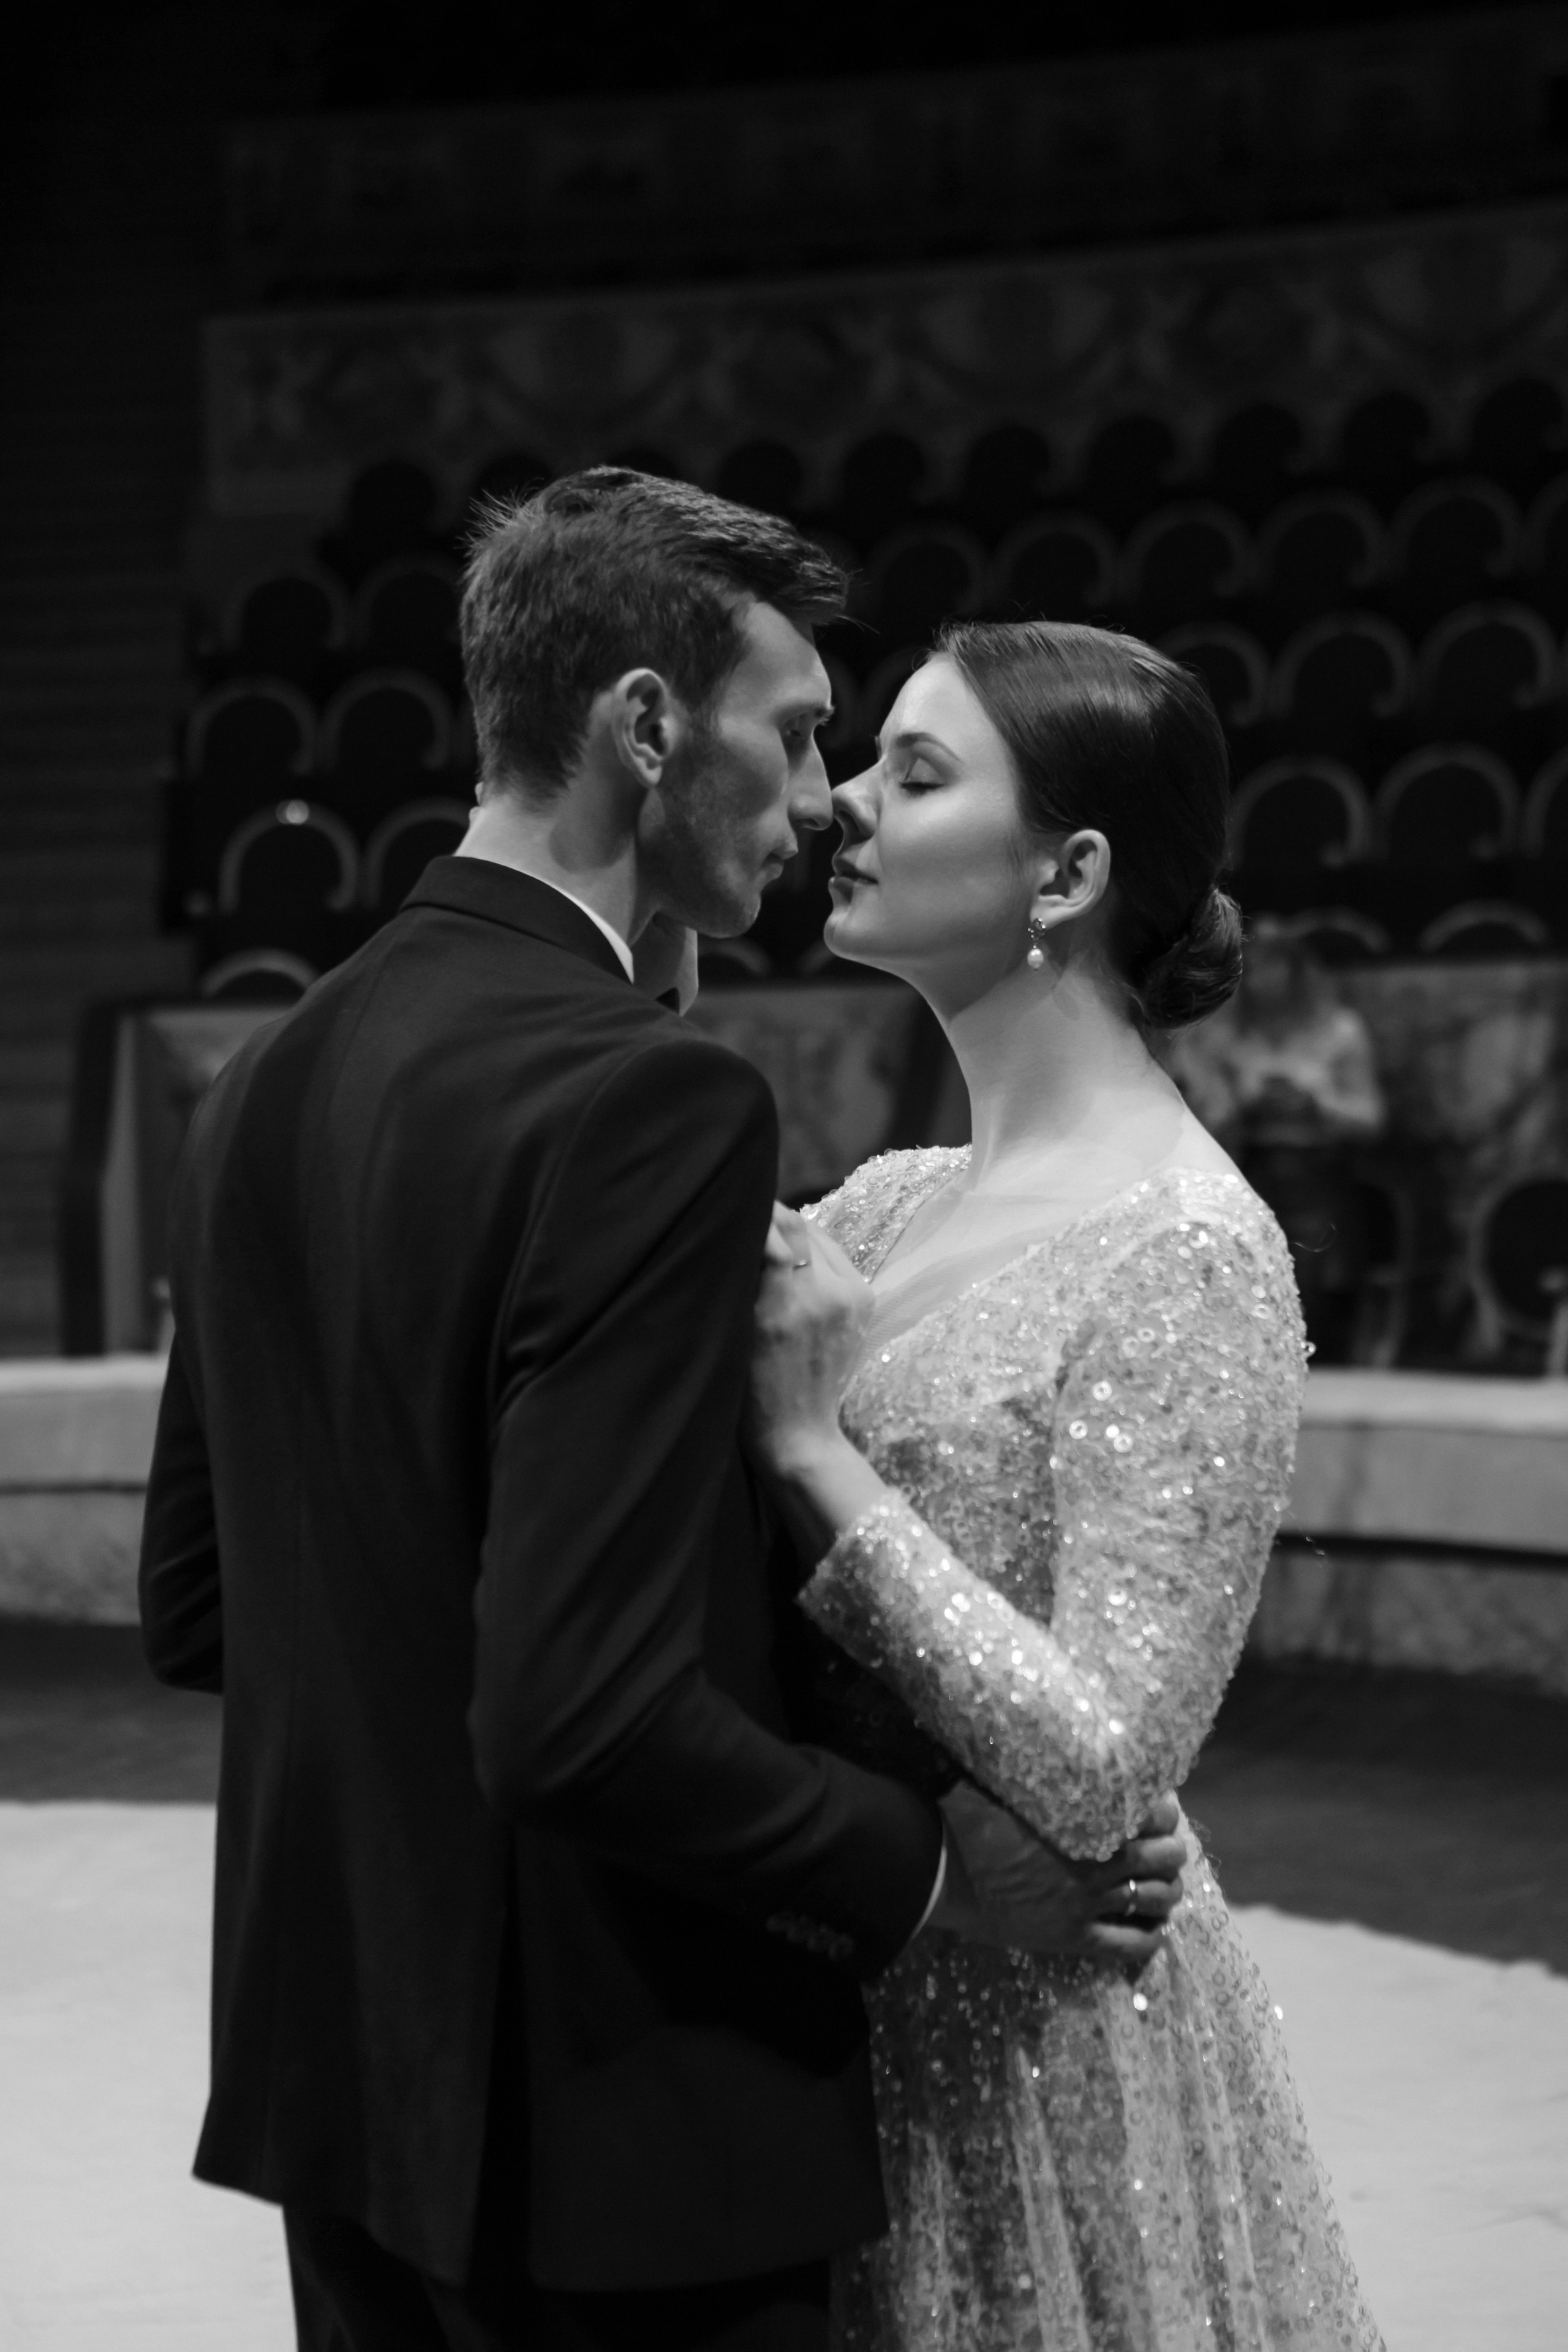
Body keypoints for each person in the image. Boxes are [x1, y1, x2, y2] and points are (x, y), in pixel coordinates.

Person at [138, 474, 1185, 2352]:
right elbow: (579, 1715)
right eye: (792, 739)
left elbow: (204, 1603)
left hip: (349, 2103)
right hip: (629, 2145)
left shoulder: (261, 1078)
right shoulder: (652, 1101)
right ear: (642, 727)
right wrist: (939, 1865)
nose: (816, 803)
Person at [745, 620, 1384, 2349]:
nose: (844, 808)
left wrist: (809, 1453)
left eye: (916, 774)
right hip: (839, 1994)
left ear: (1072, 871)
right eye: (866, 762)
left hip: (1038, 2051)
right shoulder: (881, 1204)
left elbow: (1110, 1762)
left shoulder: (1191, 1251)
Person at [1166, 919, 1386, 1363]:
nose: (1265, 981)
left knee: (1310, 1296)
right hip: (1248, 1171)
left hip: (1318, 1175)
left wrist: (1315, 1100)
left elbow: (1372, 1118)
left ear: (1297, 971)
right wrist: (1239, 1095)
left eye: (1274, 967)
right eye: (1255, 969)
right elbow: (1206, 1118)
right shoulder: (1229, 1037)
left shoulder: (1339, 1032)